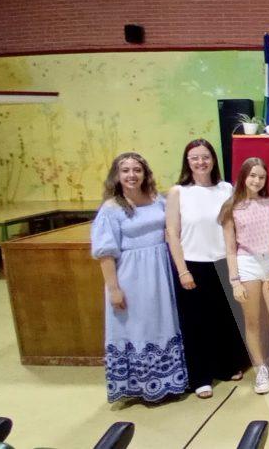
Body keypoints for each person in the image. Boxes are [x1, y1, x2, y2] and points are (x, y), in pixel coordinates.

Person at [91, 152, 188, 402]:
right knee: (138, 326)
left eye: (137, 170)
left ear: (145, 174)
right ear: (116, 175)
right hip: (131, 275)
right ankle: (142, 386)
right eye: (125, 171)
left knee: (162, 322)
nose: (132, 175)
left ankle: (169, 381)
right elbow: (105, 253)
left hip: (161, 270)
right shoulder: (111, 209)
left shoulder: (157, 200)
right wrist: (113, 289)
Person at [166, 139, 249, 399]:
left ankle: (226, 366)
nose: (201, 162)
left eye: (205, 157)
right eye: (195, 158)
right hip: (192, 264)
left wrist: (234, 270)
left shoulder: (226, 189)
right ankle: (200, 376)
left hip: (222, 261)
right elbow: (172, 232)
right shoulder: (178, 192)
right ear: (187, 162)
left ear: (213, 160)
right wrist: (182, 270)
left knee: (224, 318)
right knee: (195, 323)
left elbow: (231, 228)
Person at [220, 157, 269, 394]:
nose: (256, 180)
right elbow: (230, 248)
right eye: (252, 175)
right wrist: (235, 281)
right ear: (243, 176)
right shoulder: (231, 207)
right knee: (252, 322)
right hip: (247, 265)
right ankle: (261, 370)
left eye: (261, 177)